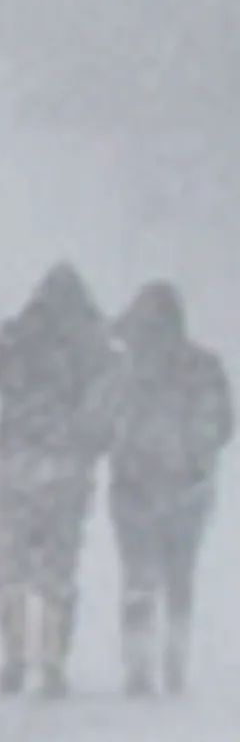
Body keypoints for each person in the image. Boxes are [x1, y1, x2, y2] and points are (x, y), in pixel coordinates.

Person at [0, 260, 118, 696]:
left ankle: (15, 651)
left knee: (12, 562)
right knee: (59, 564)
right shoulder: (93, 345)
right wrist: (102, 445)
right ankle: (54, 658)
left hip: (18, 462)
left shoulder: (14, 338)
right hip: (69, 464)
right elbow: (115, 402)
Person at [106, 281, 232, 696]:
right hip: (188, 491)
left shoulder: (126, 369)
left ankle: (138, 666)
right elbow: (227, 424)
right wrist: (196, 460)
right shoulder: (205, 365)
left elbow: (99, 419)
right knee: (180, 575)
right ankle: (175, 661)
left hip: (134, 489)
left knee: (138, 576)